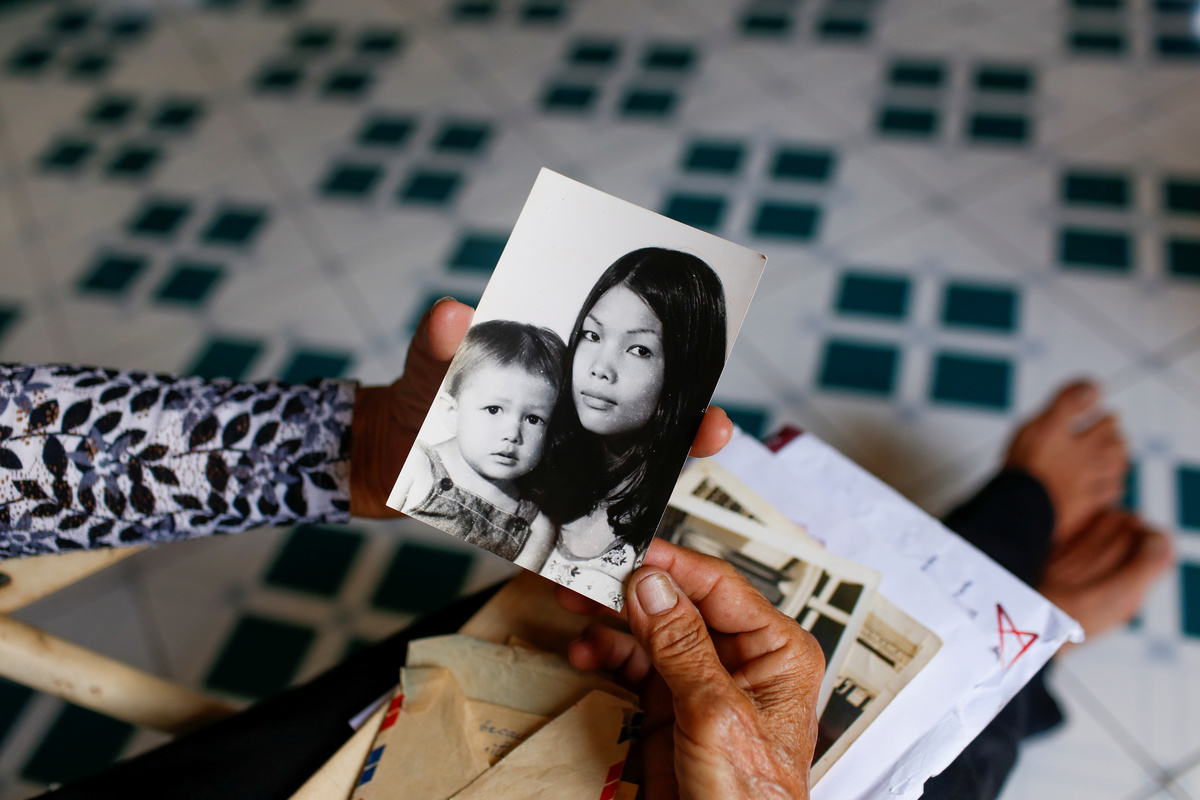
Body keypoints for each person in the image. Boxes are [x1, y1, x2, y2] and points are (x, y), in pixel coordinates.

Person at [536, 247, 728, 606]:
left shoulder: (667, 534)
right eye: (592, 335)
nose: (600, 368)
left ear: (682, 371)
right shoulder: (535, 458)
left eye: (639, 349)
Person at [391, 319, 564, 570]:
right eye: (494, 409)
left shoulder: (536, 529)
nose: (512, 434)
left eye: (533, 419)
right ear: (452, 413)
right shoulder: (416, 467)